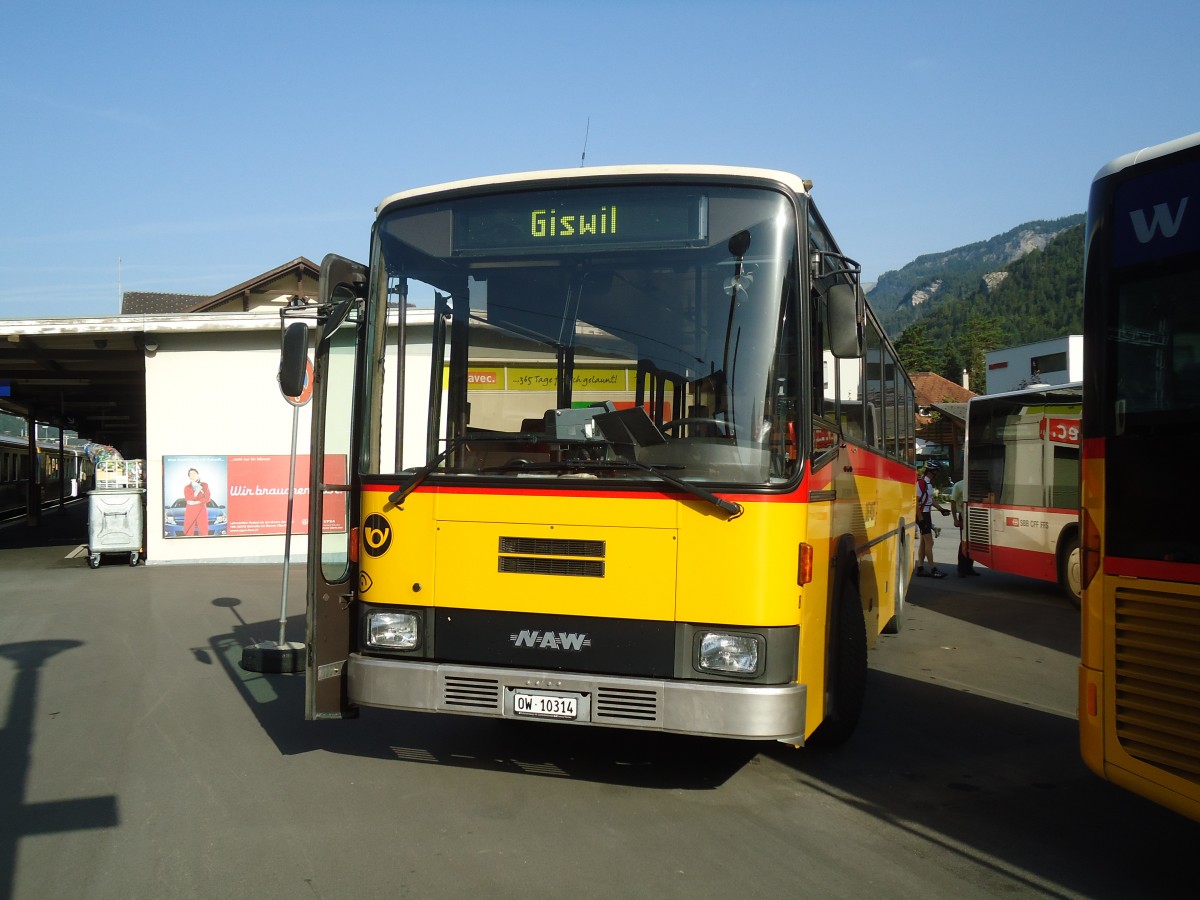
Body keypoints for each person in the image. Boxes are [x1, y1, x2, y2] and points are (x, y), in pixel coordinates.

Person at [915, 462, 949, 577]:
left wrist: (941, 509)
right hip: (922, 515)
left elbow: (930, 500)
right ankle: (933, 569)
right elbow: (915, 501)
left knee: (923, 543)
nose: (937, 474)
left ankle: (920, 567)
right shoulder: (921, 483)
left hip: (926, 514)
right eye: (937, 471)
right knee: (930, 542)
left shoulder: (928, 484)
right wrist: (920, 519)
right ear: (932, 471)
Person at [950, 479, 981, 577]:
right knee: (964, 541)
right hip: (963, 516)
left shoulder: (975, 484)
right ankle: (961, 569)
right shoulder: (959, 485)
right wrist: (955, 519)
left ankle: (969, 567)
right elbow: (953, 502)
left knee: (972, 541)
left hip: (974, 515)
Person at [183, 467, 211, 536]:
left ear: (198, 475)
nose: (193, 475)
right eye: (191, 474)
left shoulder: (204, 485)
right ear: (189, 477)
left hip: (201, 509)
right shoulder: (187, 487)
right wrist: (197, 490)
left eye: (194, 473)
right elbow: (188, 499)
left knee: (203, 529)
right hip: (190, 510)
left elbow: (207, 498)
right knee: (188, 530)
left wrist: (197, 502)